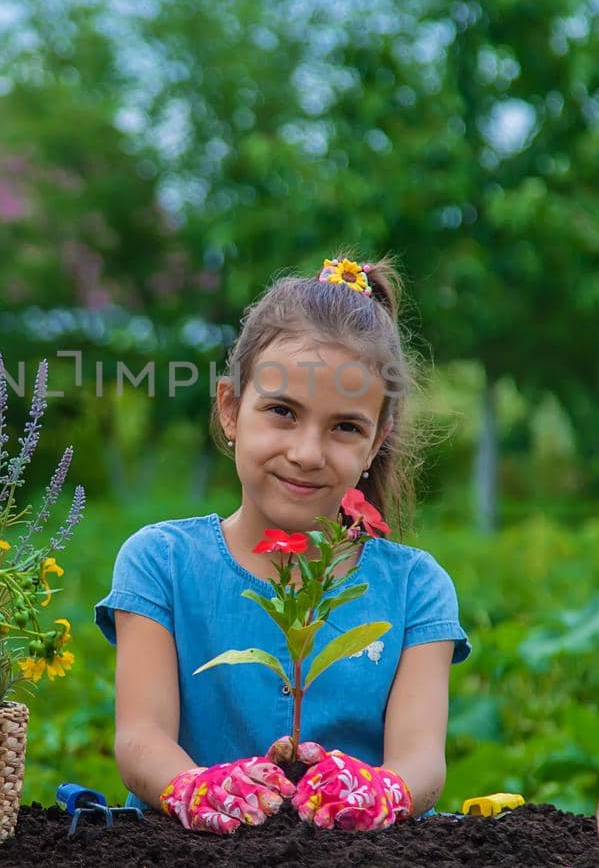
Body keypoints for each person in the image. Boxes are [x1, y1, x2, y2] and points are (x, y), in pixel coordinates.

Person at [93, 253, 471, 835]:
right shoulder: (161, 564)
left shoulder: (416, 588)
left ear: (376, 443)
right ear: (230, 410)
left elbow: (422, 761)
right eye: (281, 412)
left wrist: (382, 791)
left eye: (345, 427)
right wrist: (193, 788)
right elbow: (140, 737)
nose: (307, 453)